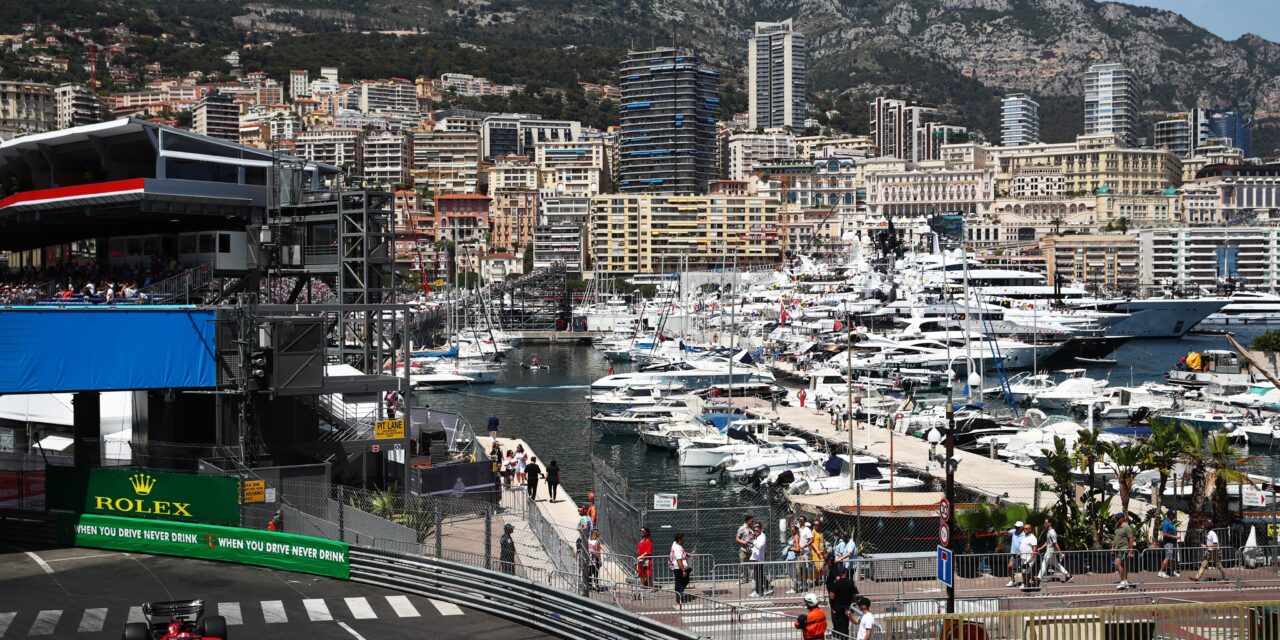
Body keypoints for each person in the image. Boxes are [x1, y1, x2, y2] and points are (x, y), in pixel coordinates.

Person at [1037, 517, 1072, 583]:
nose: (1045, 523)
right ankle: (1068, 575)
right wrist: (1041, 548)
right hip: (1050, 552)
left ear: (1050, 523)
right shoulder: (1049, 531)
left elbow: (1055, 543)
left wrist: (1060, 553)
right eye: (1045, 522)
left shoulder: (1052, 532)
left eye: (1046, 522)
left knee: (1044, 563)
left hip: (1050, 552)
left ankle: (1038, 578)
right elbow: (1047, 542)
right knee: (1056, 565)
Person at [827, 564, 858, 638]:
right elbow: (854, 597)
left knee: (837, 626)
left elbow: (831, 596)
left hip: (836, 608)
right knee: (845, 625)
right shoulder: (851, 583)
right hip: (847, 607)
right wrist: (853, 606)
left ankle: (837, 637)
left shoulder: (836, 583)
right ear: (846, 572)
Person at [1113, 512, 1136, 590]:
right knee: (1123, 565)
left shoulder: (1126, 527)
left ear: (1122, 519)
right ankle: (1125, 581)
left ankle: (1122, 581)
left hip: (1124, 549)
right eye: (1116, 518)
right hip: (1118, 548)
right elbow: (1115, 537)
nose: (1116, 519)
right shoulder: (1117, 526)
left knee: (1117, 564)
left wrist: (1130, 550)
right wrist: (1113, 547)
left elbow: (1131, 538)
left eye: (1117, 518)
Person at [749, 521, 772, 597]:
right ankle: (766, 589)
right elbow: (754, 547)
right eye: (754, 530)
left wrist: (753, 540)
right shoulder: (757, 537)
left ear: (760, 529)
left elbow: (760, 546)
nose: (755, 532)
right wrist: (750, 546)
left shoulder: (762, 536)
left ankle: (759, 591)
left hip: (759, 559)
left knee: (758, 576)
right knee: (759, 575)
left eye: (757, 530)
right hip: (754, 558)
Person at [670, 533, 691, 605]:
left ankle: (679, 594)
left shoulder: (675, 544)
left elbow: (680, 554)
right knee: (681, 582)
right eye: (683, 539)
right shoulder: (677, 548)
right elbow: (679, 560)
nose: (684, 540)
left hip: (678, 568)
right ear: (679, 540)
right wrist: (683, 570)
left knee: (682, 581)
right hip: (679, 568)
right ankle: (679, 596)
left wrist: (685, 553)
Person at [1159, 510, 1181, 578]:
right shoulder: (1165, 523)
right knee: (1168, 557)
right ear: (1170, 515)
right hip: (1168, 543)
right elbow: (1164, 534)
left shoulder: (1170, 522)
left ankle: (1173, 571)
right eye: (1173, 515)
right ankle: (1161, 572)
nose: (1174, 516)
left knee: (1173, 558)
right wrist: (1174, 536)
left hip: (1173, 543)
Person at [736, 514, 755, 583]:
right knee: (742, 565)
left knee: (751, 565)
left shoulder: (752, 528)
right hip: (743, 549)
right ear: (747, 521)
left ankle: (752, 578)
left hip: (751, 549)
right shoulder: (742, 528)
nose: (752, 523)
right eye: (751, 521)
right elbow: (737, 538)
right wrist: (743, 542)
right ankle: (741, 579)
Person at [1005, 521, 1025, 588]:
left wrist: (1022, 552)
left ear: (1022, 528)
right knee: (1010, 566)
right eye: (1015, 526)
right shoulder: (1014, 531)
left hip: (1022, 554)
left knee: (1023, 569)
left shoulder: (1025, 534)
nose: (1016, 528)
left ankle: (1025, 582)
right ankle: (1012, 580)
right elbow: (1007, 532)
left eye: (1018, 527)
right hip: (1013, 554)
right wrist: (1002, 532)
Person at [1019, 522, 1038, 588]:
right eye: (1024, 528)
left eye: (1026, 528)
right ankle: (1033, 581)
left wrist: (1031, 558)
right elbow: (1023, 546)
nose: (1025, 530)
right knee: (1024, 571)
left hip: (1029, 558)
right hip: (1023, 557)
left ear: (1030, 529)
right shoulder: (1024, 537)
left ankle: (1026, 584)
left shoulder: (1033, 538)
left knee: (1026, 572)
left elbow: (1034, 548)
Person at [786, 524, 803, 594]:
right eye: (791, 530)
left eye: (792, 530)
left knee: (792, 573)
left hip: (793, 557)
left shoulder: (796, 537)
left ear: (795, 531)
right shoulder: (792, 537)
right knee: (790, 573)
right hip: (790, 557)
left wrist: (789, 548)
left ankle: (794, 588)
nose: (791, 531)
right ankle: (794, 587)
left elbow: (798, 549)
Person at [811, 520, 826, 587]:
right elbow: (811, 542)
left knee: (822, 566)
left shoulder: (821, 532)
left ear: (820, 525)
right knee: (817, 566)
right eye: (814, 524)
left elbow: (822, 541)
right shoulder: (813, 531)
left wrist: (823, 549)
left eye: (817, 524)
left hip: (821, 552)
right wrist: (817, 550)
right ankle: (817, 580)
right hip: (815, 552)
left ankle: (819, 580)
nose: (815, 525)